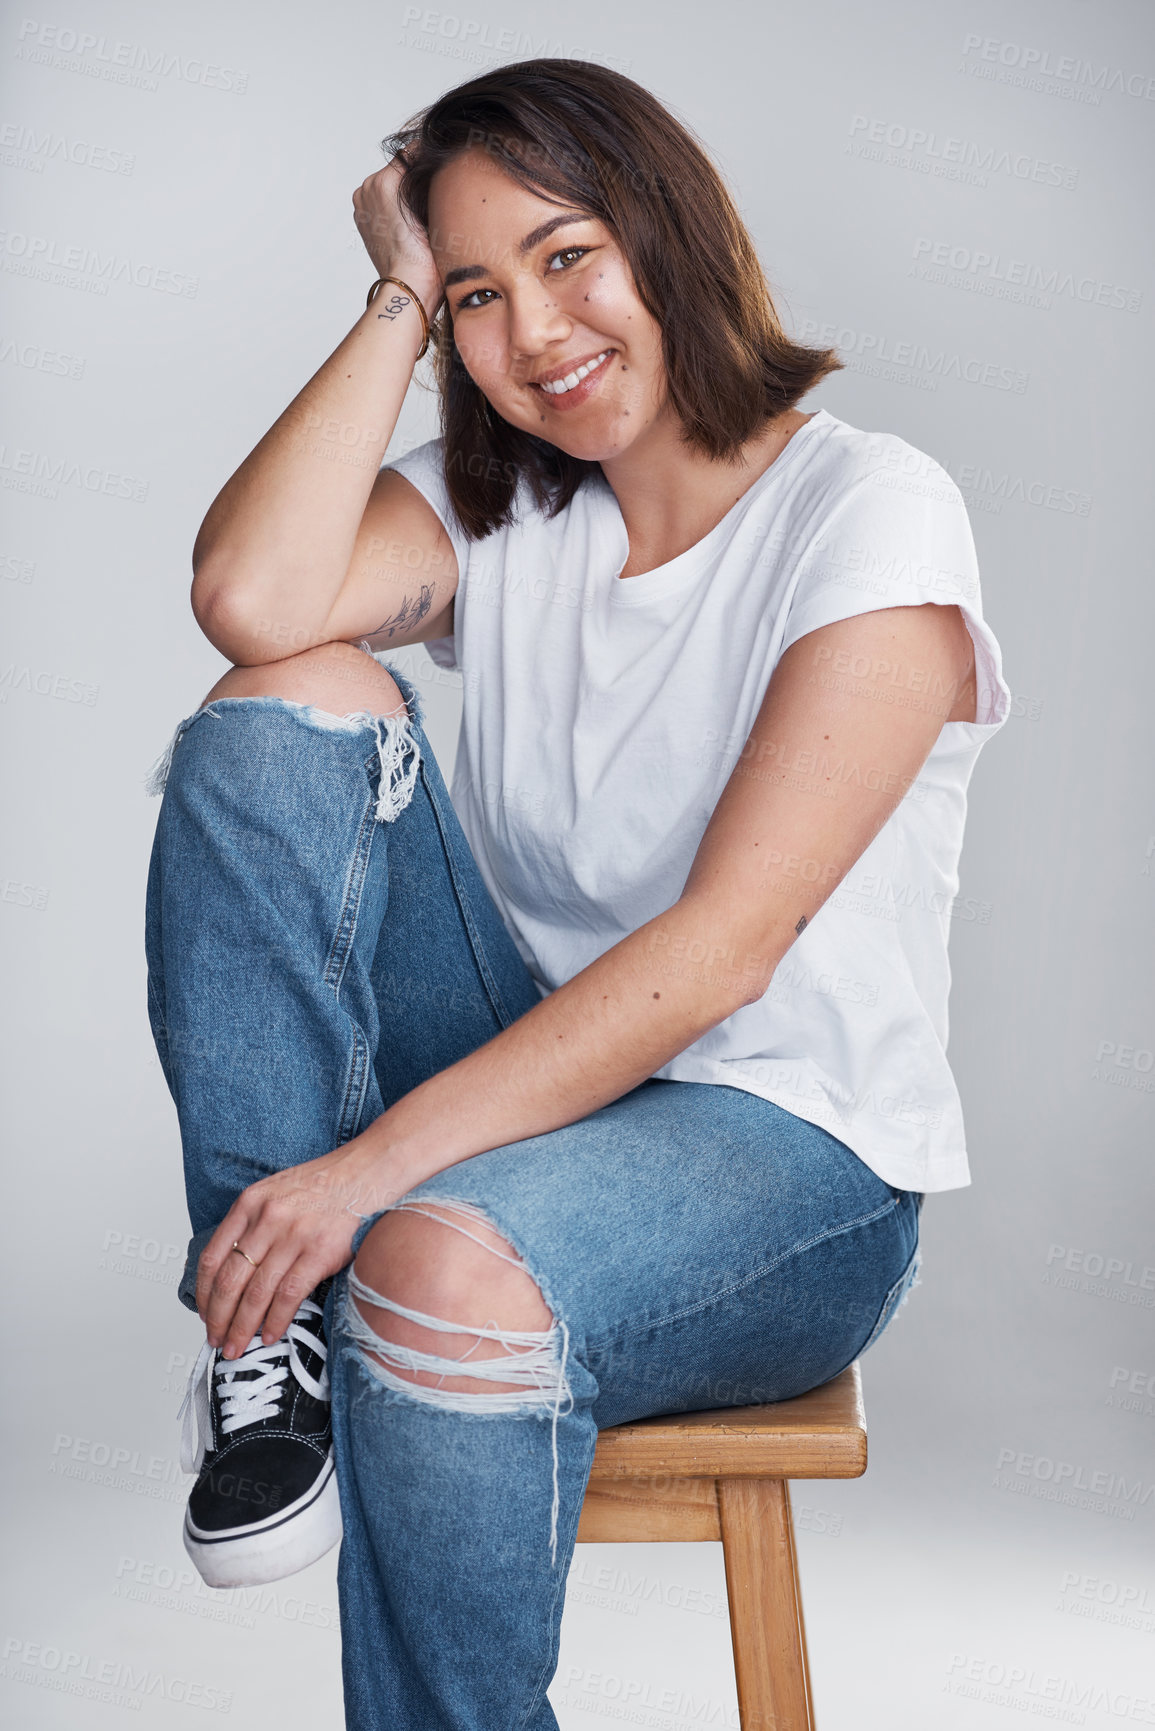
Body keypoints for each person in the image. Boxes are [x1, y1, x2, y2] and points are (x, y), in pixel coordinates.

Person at [144, 57, 1011, 1731]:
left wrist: (375, 1171)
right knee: (275, 719)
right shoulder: (513, 511)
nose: (534, 333)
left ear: (669, 230)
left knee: (440, 1264)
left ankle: (343, 1267)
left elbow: (721, 952)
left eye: (567, 255)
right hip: (537, 1101)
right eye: (479, 292)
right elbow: (251, 600)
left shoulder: (871, 512)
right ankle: (277, 1354)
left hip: (789, 1163)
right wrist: (394, 290)